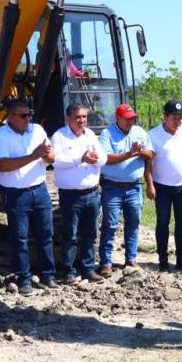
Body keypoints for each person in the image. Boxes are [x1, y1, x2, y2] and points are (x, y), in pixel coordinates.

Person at [0, 100, 58, 296]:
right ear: (10, 117)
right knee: (20, 238)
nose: (28, 119)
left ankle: (48, 275)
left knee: (46, 234)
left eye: (29, 114)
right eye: (23, 116)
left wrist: (47, 155)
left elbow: (51, 157)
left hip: (40, 189)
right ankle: (24, 279)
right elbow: (2, 166)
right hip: (16, 193)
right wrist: (34, 155)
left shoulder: (37, 130)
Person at [51, 103, 107, 284]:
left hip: (92, 194)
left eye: (84, 117)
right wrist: (80, 159)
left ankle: (88, 269)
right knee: (71, 234)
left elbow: (104, 157)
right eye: (78, 117)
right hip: (71, 195)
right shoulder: (59, 136)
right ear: (69, 119)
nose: (82, 120)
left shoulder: (90, 135)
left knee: (90, 234)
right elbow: (56, 161)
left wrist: (98, 159)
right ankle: (68, 271)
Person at [98, 103, 153, 277]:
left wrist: (140, 151)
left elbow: (151, 155)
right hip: (112, 186)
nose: (131, 122)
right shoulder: (107, 134)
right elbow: (106, 158)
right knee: (110, 225)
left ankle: (131, 258)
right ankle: (106, 262)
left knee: (133, 223)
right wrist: (129, 153)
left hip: (134, 187)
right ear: (118, 118)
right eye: (127, 119)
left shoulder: (140, 132)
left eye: (133, 118)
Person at [144, 100, 182, 272]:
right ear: (165, 116)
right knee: (162, 222)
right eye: (174, 117)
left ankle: (181, 259)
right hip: (162, 186)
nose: (178, 121)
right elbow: (149, 162)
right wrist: (150, 184)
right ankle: (163, 260)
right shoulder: (153, 135)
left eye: (180, 117)